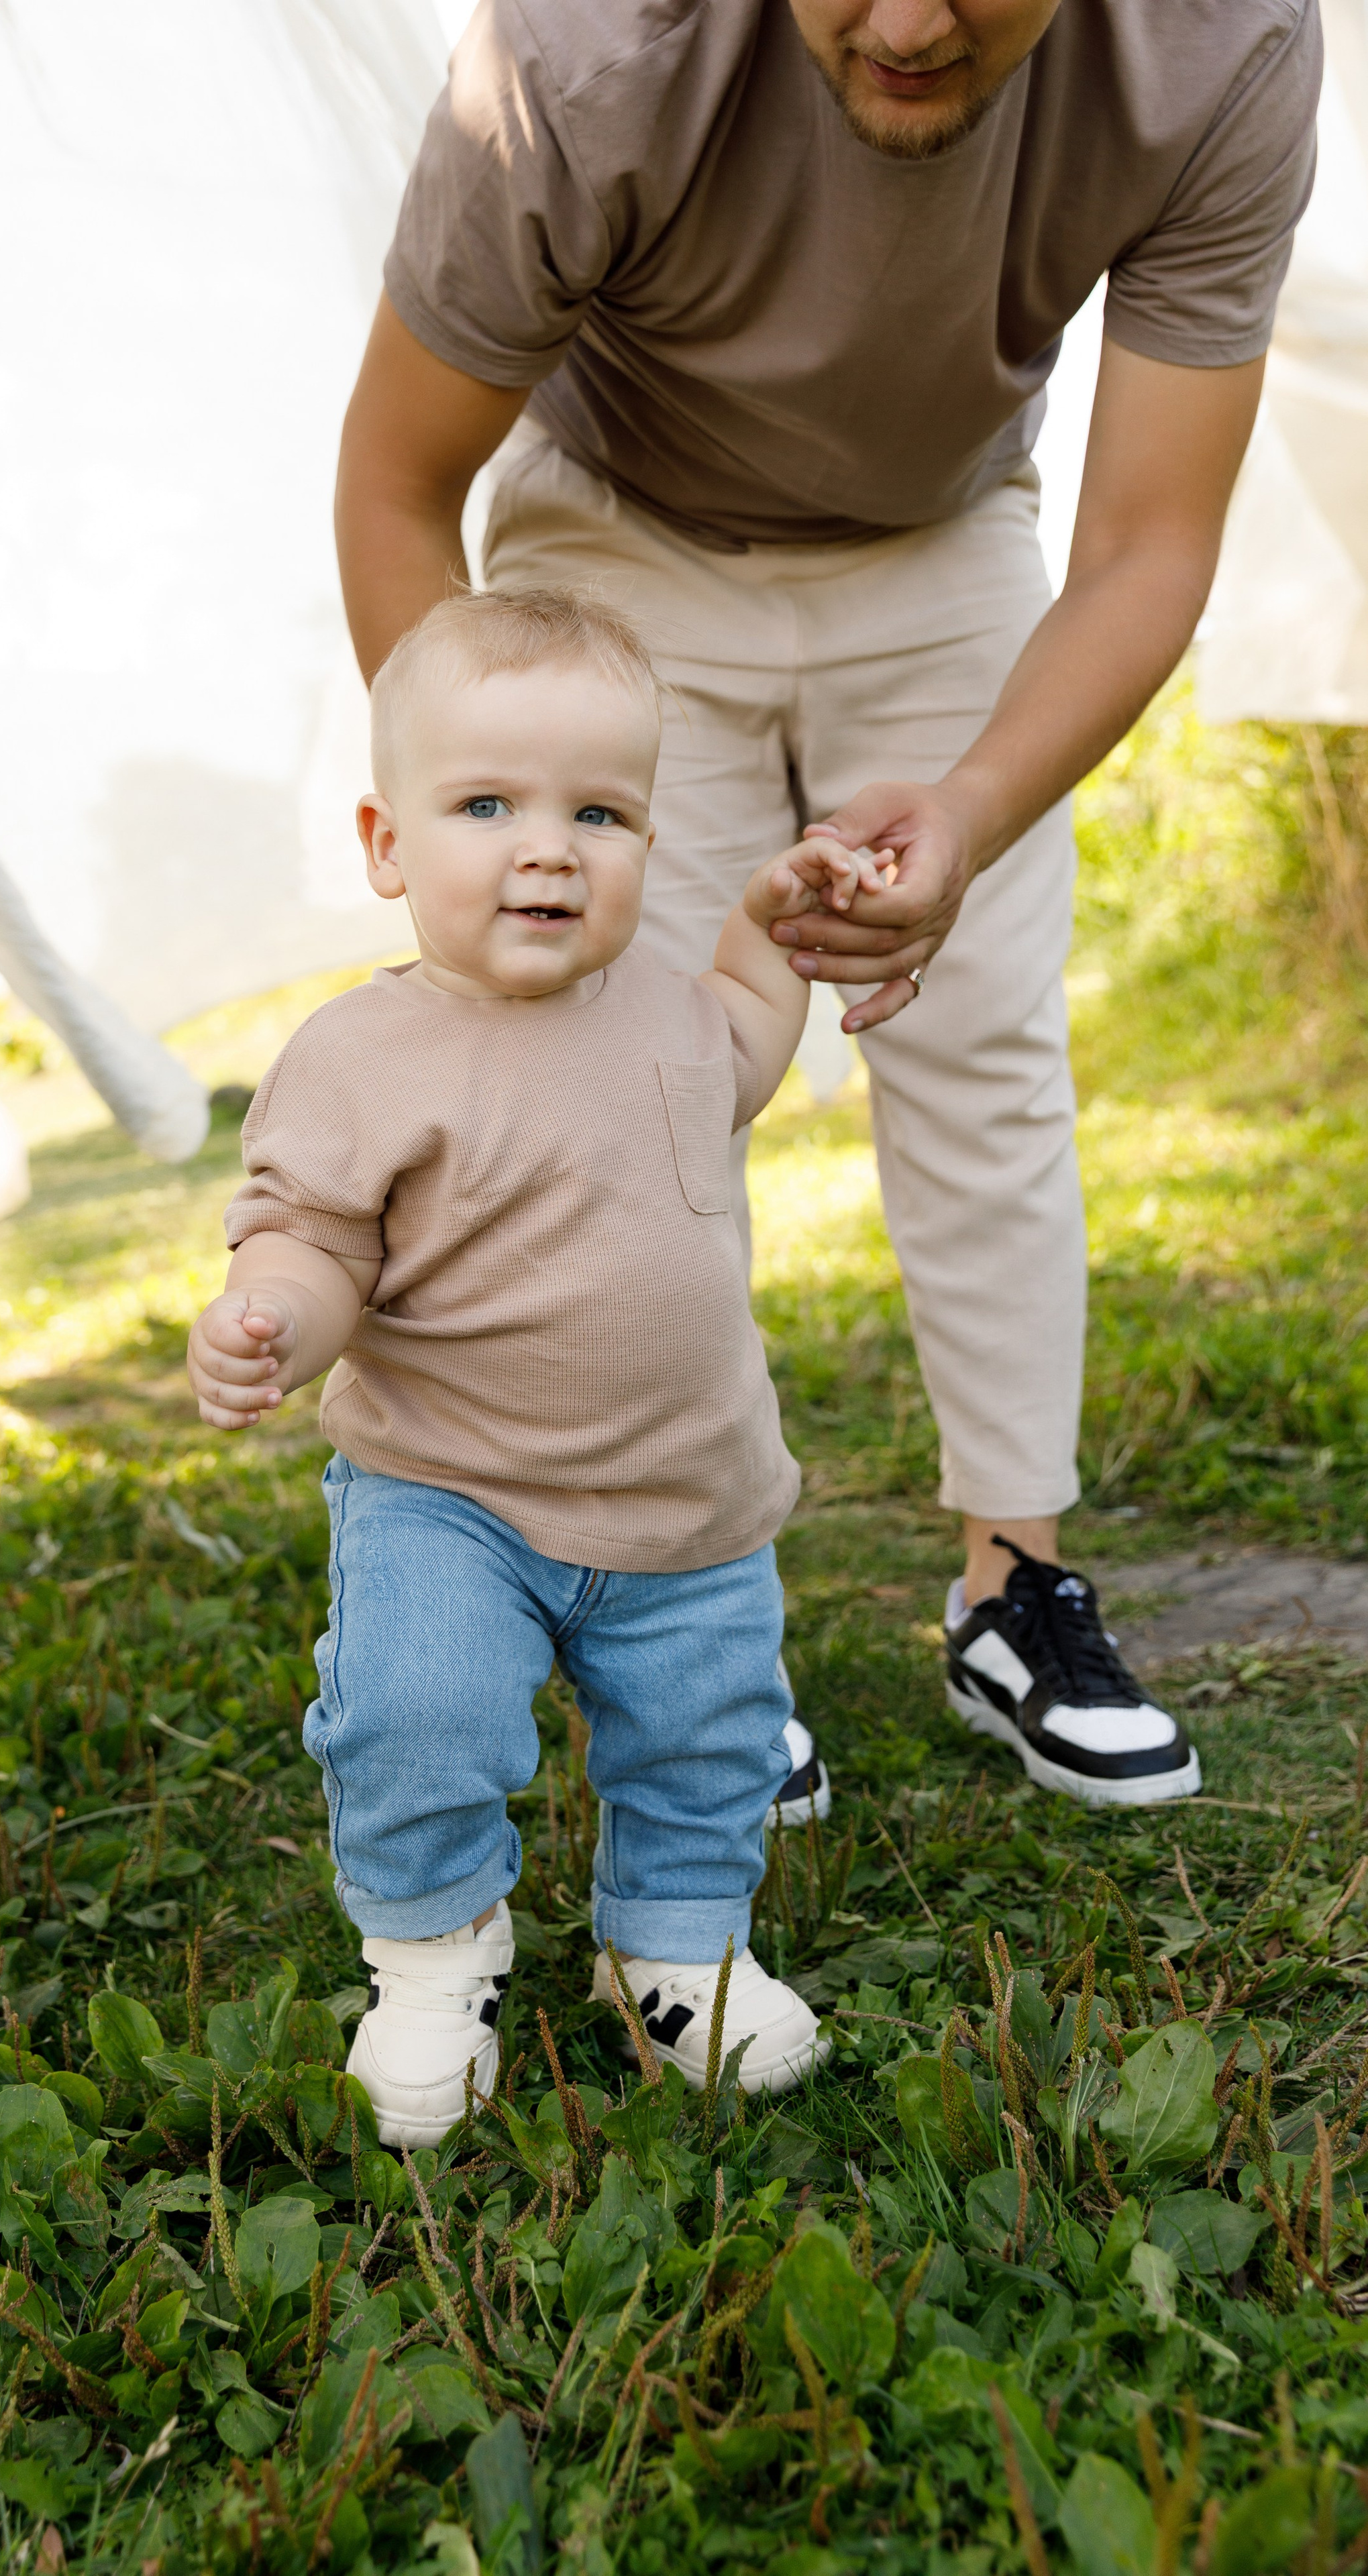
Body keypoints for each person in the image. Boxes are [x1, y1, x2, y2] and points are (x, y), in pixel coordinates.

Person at [331, 0, 1322, 1809]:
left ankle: (1014, 1589)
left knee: (987, 1041)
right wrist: (488, 826)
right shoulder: (576, 58)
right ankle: (663, 1617)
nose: (912, 23)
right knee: (622, 1090)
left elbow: (1151, 545)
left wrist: (970, 810)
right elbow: (398, 483)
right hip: (621, 528)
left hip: (946, 544)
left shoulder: (1227, 41)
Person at [187, 588, 878, 2143]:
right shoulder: (360, 1057)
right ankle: (434, 1959)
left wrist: (774, 921)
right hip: (453, 1496)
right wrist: (270, 1323)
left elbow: (756, 1033)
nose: (547, 845)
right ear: (384, 845)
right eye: (486, 804)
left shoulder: (672, 1020)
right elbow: (309, 1238)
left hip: (686, 1506)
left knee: (706, 1741)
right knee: (411, 1713)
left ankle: (674, 1951)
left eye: (599, 810)